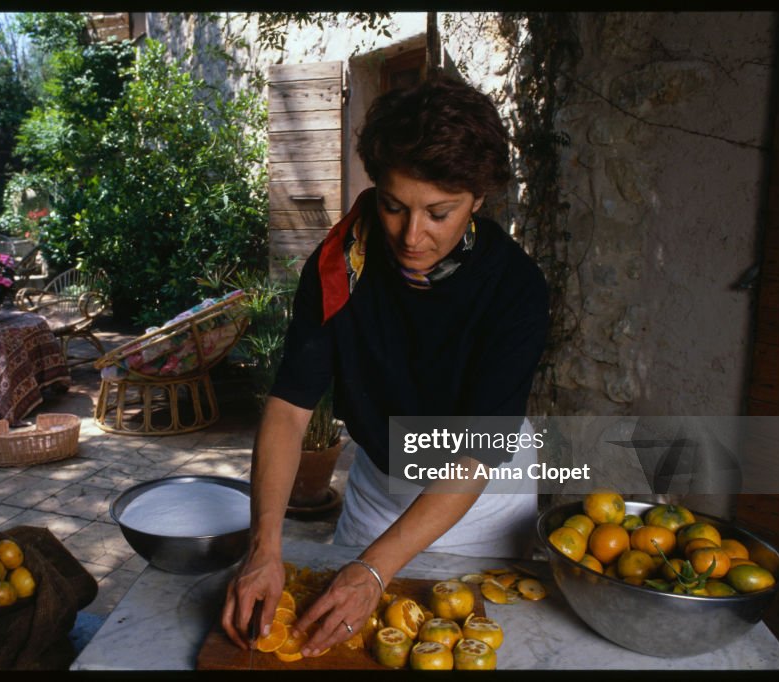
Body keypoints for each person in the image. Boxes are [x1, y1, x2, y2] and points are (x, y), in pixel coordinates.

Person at [221, 75, 549, 657]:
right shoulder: (336, 267)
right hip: (380, 484)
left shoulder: (515, 288)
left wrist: (374, 571)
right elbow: (290, 408)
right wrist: (264, 548)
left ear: (478, 198)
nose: (411, 234)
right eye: (394, 206)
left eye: (439, 213)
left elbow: (478, 454)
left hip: (482, 496)